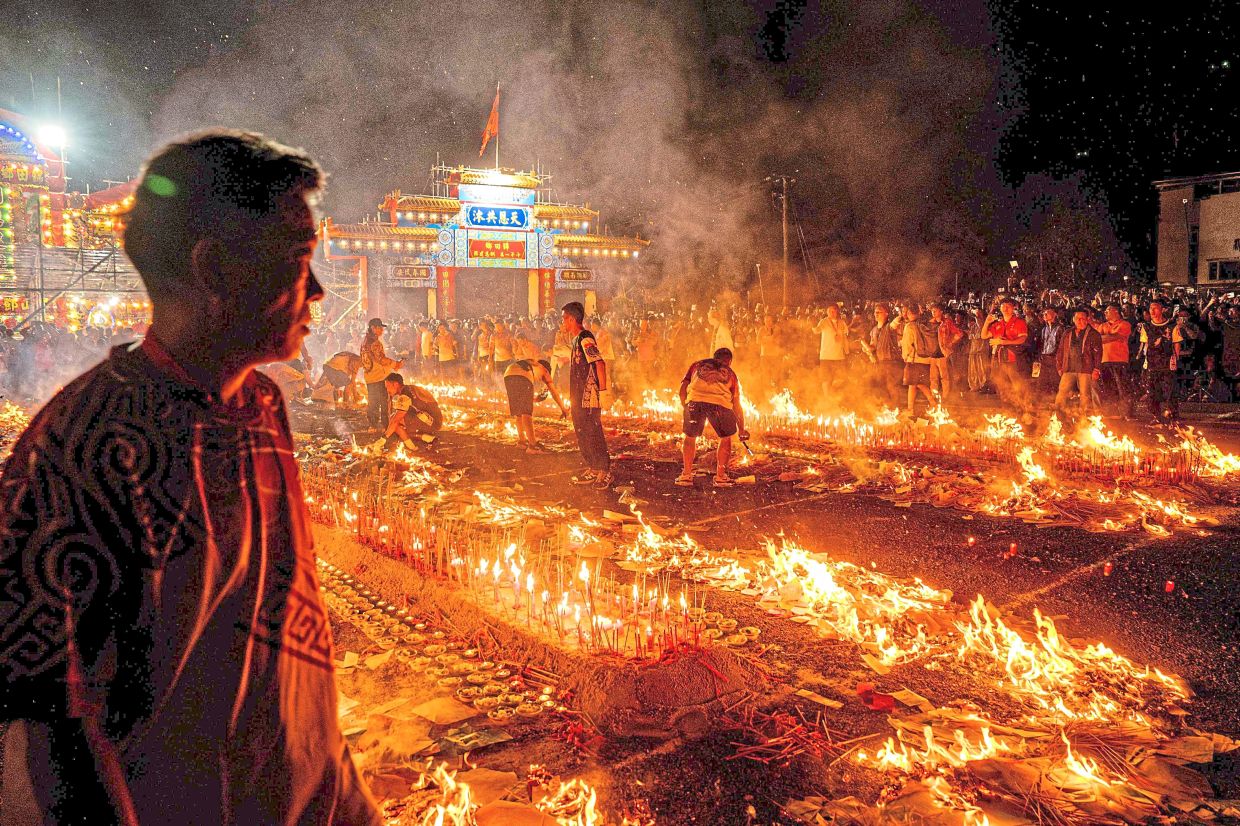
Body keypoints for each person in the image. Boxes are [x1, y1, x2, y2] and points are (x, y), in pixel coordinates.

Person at [0, 130, 380, 825]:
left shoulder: (261, 406)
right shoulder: (79, 448)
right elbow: (54, 733)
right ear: (216, 272)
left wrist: (346, 801)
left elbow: (288, 641)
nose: (320, 291)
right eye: (299, 261)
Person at [675, 347, 749, 488]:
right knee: (725, 439)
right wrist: (742, 430)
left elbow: (682, 389)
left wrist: (686, 406)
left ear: (714, 357)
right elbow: (736, 405)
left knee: (690, 438)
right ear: (730, 361)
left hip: (695, 402)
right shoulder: (731, 374)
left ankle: (686, 476)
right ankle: (721, 478)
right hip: (720, 405)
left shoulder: (697, 365)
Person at [562, 301, 612, 489]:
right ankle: (593, 467)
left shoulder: (585, 338)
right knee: (581, 432)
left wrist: (604, 391)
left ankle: (605, 470)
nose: (563, 323)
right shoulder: (575, 340)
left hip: (589, 395)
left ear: (573, 319)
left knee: (592, 431)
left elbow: (599, 363)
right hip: (577, 396)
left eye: (564, 319)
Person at [503, 357, 568, 452]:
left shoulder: (533, 364)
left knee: (519, 413)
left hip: (508, 374)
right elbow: (554, 392)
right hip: (522, 376)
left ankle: (521, 442)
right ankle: (533, 446)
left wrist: (532, 400)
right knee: (526, 413)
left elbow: (540, 396)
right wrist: (563, 409)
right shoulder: (544, 370)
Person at [369, 372, 442, 452]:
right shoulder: (409, 388)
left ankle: (414, 446)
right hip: (432, 419)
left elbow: (395, 420)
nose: (387, 390)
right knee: (396, 423)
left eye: (388, 387)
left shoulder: (405, 396)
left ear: (396, 384)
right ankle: (425, 439)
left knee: (396, 422)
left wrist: (383, 439)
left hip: (433, 422)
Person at [1053, 309, 1103, 419]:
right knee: (1062, 394)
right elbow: (1060, 350)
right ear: (1074, 320)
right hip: (1068, 369)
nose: (1080, 321)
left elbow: (1098, 354)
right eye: (1078, 319)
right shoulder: (1067, 333)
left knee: (1085, 396)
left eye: (1083, 319)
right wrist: (1059, 367)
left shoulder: (1093, 334)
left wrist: (1096, 369)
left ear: (1087, 320)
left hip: (1085, 369)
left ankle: (1083, 420)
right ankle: (1059, 417)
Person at [1140, 299, 1183, 422]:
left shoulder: (1172, 326)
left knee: (1169, 391)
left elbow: (1176, 344)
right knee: (1152, 392)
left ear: (1163, 309)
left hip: (1167, 363)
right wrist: (1145, 360)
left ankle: (1173, 416)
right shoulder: (1146, 326)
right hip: (1152, 363)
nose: (1152, 311)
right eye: (1150, 308)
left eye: (1155, 308)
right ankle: (1157, 416)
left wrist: (1175, 359)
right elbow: (1145, 344)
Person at [984, 298, 1029, 409]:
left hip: (1014, 360)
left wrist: (1003, 342)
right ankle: (1007, 411)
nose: (1005, 308)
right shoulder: (998, 324)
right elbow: (984, 335)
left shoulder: (1019, 322)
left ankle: (1023, 409)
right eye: (1003, 306)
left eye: (1008, 306)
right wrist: (987, 322)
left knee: (1017, 386)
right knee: (1002, 386)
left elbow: (1022, 339)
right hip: (1000, 360)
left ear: (1014, 308)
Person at [1092, 304, 1134, 417]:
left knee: (1123, 388)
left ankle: (1127, 413)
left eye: (1108, 310)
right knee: (1109, 388)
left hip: (1120, 361)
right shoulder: (1103, 325)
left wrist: (1104, 337)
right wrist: (1107, 337)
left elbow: (1117, 337)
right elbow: (1095, 340)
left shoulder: (1124, 324)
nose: (1105, 312)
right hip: (1105, 361)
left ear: (1116, 311)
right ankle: (1114, 413)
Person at [361, 317, 403, 430]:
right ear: (373, 328)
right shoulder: (374, 342)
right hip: (379, 376)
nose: (382, 330)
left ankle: (373, 425)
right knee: (384, 402)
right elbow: (381, 359)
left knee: (373, 402)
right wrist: (395, 364)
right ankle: (386, 425)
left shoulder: (365, 340)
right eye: (379, 328)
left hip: (370, 376)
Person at [899, 305, 937, 414]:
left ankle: (911, 409)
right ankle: (932, 403)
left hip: (914, 359)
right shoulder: (924, 324)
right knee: (917, 383)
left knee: (914, 383)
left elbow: (907, 343)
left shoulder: (910, 326)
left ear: (910, 313)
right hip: (926, 359)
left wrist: (905, 356)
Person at [864, 302, 903, 407]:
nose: (876, 314)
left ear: (886, 313)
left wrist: (901, 314)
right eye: (875, 312)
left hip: (892, 362)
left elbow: (896, 322)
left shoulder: (890, 327)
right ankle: (887, 408)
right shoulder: (874, 330)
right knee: (882, 387)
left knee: (892, 386)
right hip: (880, 362)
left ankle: (896, 408)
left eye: (879, 312)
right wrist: (865, 345)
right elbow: (873, 347)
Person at [813, 304, 850, 399]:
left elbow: (845, 337)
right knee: (825, 379)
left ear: (837, 311)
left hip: (839, 356)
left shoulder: (842, 323)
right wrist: (813, 324)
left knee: (840, 379)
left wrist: (847, 351)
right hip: (826, 356)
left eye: (833, 311)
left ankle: (835, 397)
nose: (831, 313)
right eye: (829, 311)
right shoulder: (824, 322)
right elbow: (817, 330)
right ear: (827, 312)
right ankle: (827, 399)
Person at [929, 304, 962, 404]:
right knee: (933, 378)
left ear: (941, 311)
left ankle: (945, 396)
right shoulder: (930, 323)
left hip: (943, 353)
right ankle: (934, 396)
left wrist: (950, 343)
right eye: (932, 311)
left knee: (945, 377)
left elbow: (959, 333)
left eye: (935, 310)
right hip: (932, 354)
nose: (933, 312)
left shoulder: (947, 323)